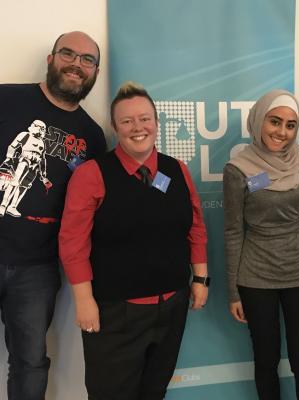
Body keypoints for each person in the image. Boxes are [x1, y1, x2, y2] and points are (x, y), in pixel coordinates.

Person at [0, 31, 106, 400]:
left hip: (37, 268)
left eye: (87, 60)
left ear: (94, 72)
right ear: (51, 59)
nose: (77, 64)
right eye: (68, 54)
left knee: (31, 363)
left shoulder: (92, 137)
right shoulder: (3, 99)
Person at [59, 81, 208, 400]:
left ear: (156, 122)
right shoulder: (92, 175)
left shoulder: (176, 170)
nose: (137, 127)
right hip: (115, 312)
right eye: (127, 121)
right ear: (115, 127)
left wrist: (201, 278)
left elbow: (195, 226)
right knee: (111, 393)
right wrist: (84, 300)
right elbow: (73, 242)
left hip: (171, 306)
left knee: (155, 389)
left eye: (144, 119)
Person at [224, 89, 299, 400]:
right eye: (274, 121)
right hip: (257, 277)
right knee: (266, 360)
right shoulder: (238, 169)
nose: (282, 132)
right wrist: (233, 291)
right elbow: (232, 231)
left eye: (290, 125)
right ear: (258, 120)